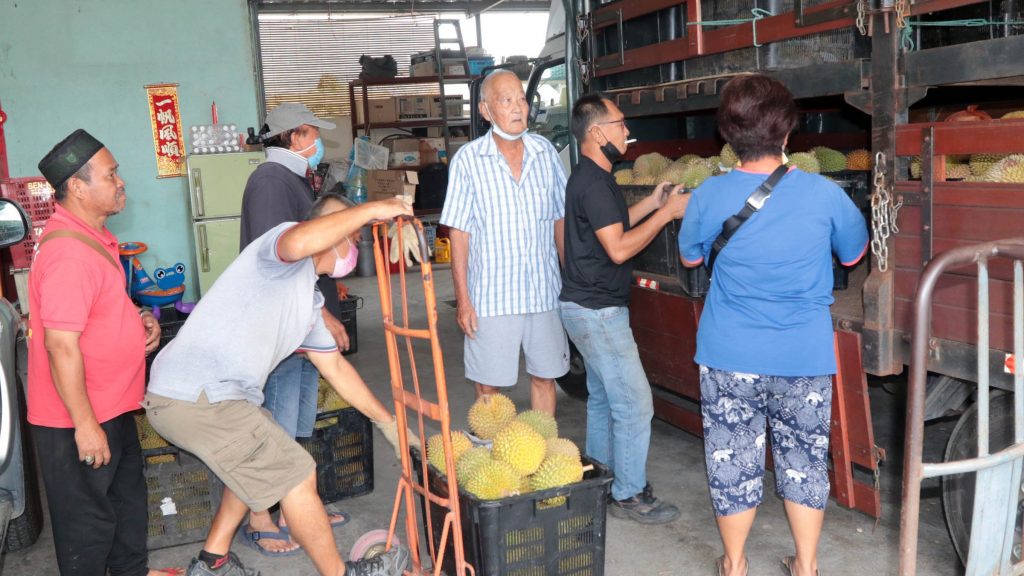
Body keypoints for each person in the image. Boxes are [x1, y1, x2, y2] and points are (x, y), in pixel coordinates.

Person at [143, 195, 415, 576]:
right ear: (327, 230)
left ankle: (212, 561)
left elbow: (336, 369)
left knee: (263, 449)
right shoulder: (279, 251)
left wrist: (389, 425)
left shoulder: (307, 302)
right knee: (296, 473)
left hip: (204, 397)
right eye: (351, 234)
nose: (353, 244)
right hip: (196, 394)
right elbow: (300, 240)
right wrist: (372, 210)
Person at [678, 74, 868, 576]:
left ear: (727, 134)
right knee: (804, 461)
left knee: (732, 460)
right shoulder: (826, 194)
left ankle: (735, 564)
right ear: (787, 132)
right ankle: (805, 566)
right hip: (802, 356)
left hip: (729, 355)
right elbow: (853, 254)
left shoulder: (708, 194)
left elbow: (691, 258)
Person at [28, 129, 177, 576]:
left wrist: (138, 318)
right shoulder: (68, 255)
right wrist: (85, 425)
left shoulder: (92, 239)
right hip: (78, 416)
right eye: (111, 175)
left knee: (126, 504)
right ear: (77, 186)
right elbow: (60, 345)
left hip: (111, 405)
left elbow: (97, 308)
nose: (120, 182)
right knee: (88, 524)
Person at [558, 94, 688, 525]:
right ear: (597, 133)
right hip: (598, 312)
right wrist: (668, 215)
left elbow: (610, 227)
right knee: (634, 404)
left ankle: (601, 480)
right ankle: (629, 494)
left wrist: (652, 203)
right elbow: (617, 249)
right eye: (620, 123)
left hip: (582, 307)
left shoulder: (592, 176)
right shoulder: (595, 183)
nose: (626, 131)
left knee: (602, 399)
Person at [239, 102, 350, 554]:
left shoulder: (293, 178)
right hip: (284, 324)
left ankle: (295, 507)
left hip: (303, 322)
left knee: (298, 422)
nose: (318, 142)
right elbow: (280, 259)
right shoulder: (271, 181)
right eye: (313, 133)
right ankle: (259, 516)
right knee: (277, 424)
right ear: (296, 135)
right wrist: (320, 313)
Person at [440, 69, 569, 416]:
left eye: (522, 99)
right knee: (488, 388)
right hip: (492, 297)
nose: (517, 108)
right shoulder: (469, 160)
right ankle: (492, 447)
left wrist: (570, 282)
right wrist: (463, 300)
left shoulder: (545, 154)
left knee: (545, 377)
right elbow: (459, 233)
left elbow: (560, 219)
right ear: (485, 110)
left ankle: (543, 445)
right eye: (506, 100)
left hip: (544, 292)